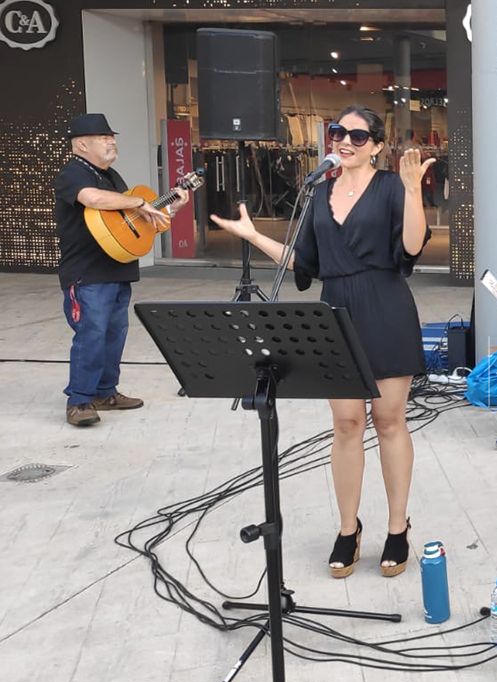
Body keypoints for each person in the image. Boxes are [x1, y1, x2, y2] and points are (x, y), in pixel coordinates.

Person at [210, 105, 433, 580]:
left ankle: (397, 527)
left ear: (377, 146)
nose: (345, 141)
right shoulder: (318, 192)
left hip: (385, 306)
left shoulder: (391, 187)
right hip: (335, 311)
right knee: (346, 423)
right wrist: (253, 236)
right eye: (338, 132)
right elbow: (304, 262)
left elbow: (412, 247)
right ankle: (348, 528)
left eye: (358, 135)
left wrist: (413, 190)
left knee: (388, 420)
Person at [54, 113, 190, 428]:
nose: (111, 142)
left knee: (115, 334)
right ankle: (79, 401)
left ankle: (105, 392)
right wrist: (139, 202)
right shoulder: (73, 173)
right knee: (91, 334)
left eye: (111, 137)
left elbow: (137, 222)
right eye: (104, 138)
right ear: (82, 145)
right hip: (87, 273)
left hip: (117, 269)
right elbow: (92, 198)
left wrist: (173, 206)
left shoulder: (112, 176)